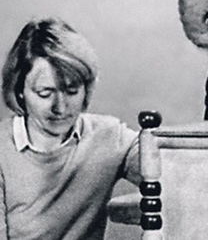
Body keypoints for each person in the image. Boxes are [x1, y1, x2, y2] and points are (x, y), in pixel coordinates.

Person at [0, 18, 140, 240]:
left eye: (72, 91)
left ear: (86, 89)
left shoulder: (110, 137)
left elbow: (175, 170)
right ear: (19, 91)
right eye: (45, 93)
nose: (60, 107)